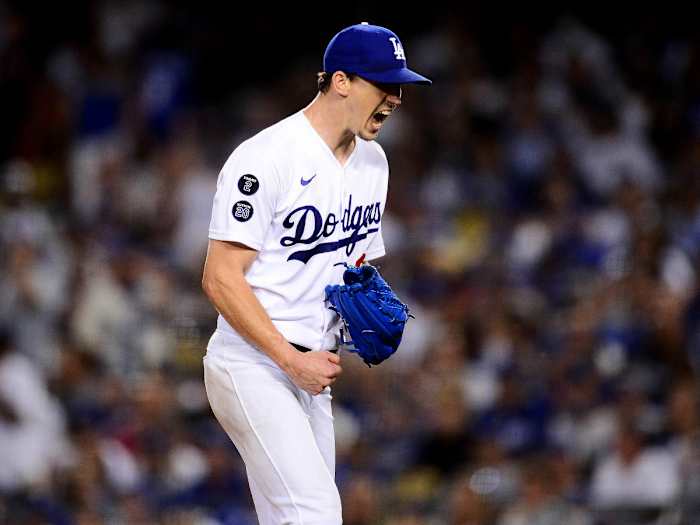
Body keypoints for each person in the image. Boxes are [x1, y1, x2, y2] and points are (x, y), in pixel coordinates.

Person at [201, 22, 431, 524]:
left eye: (400, 87)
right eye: (384, 84)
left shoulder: (375, 162)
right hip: (253, 361)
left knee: (297, 517)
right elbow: (220, 278)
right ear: (341, 81)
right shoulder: (266, 157)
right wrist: (288, 358)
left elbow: (354, 263)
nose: (395, 98)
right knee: (315, 513)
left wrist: (357, 307)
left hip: (312, 369)